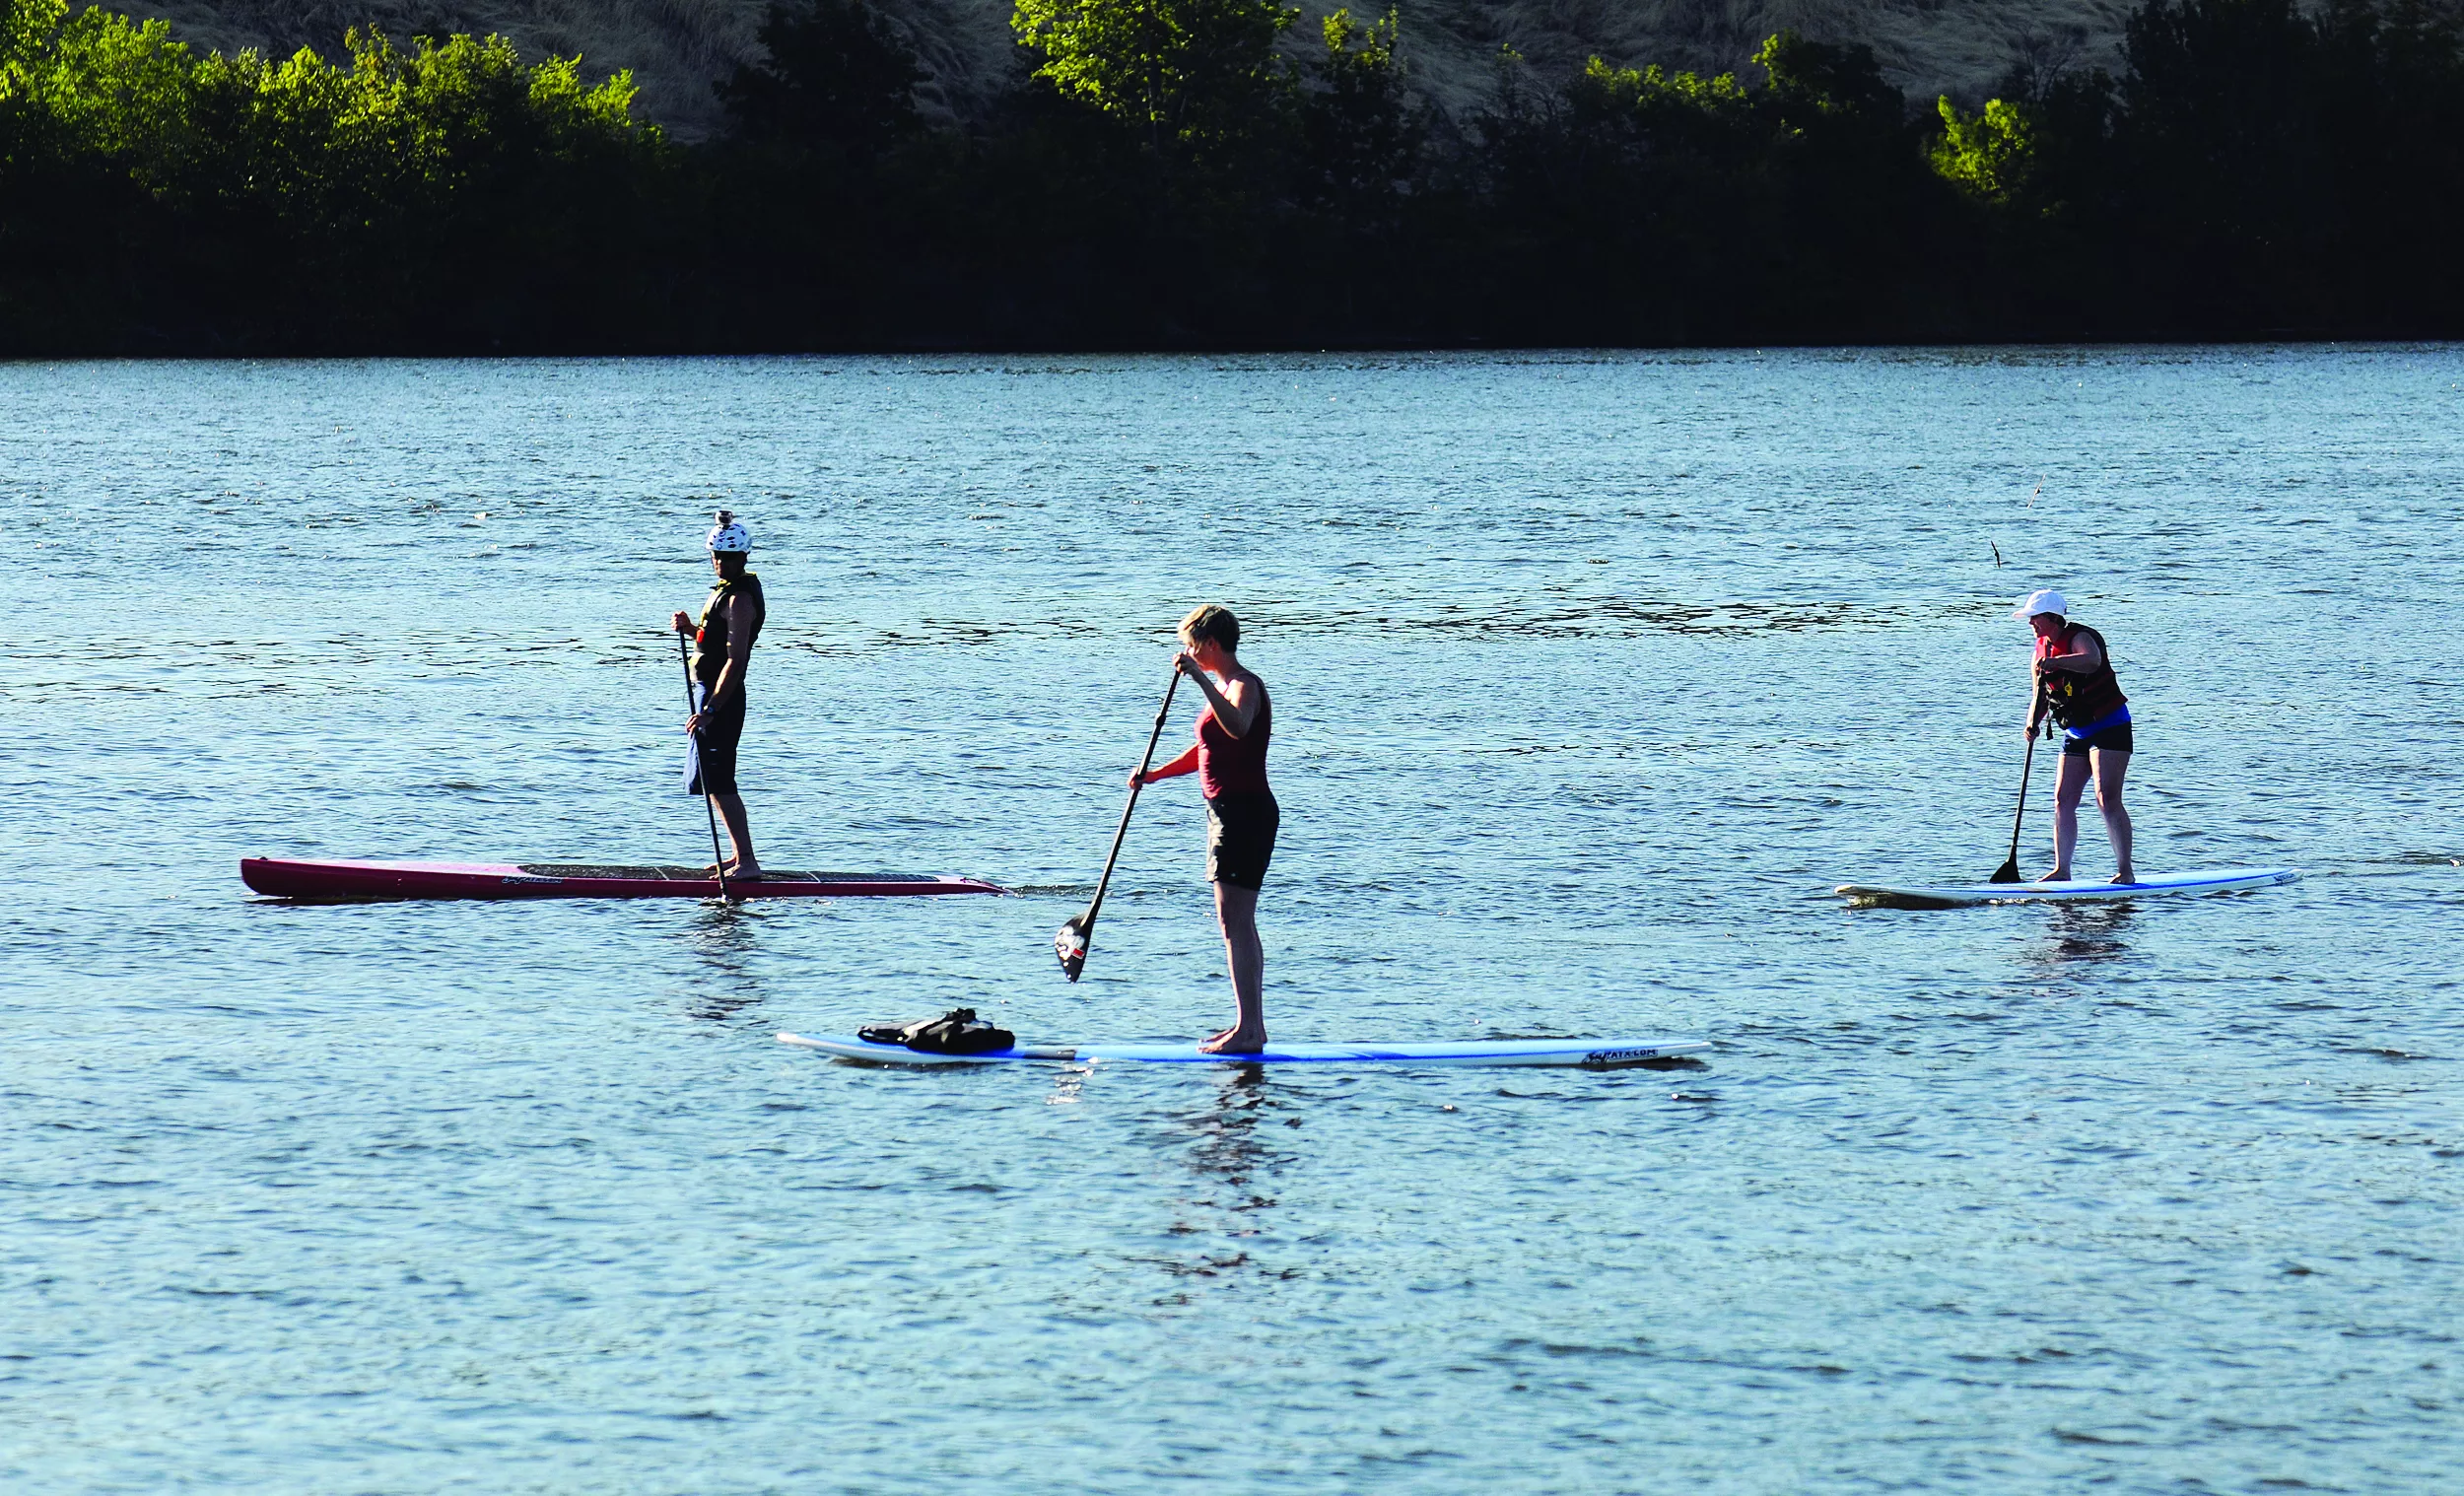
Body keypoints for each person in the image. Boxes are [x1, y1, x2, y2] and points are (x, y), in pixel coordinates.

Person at [1129, 605, 1276, 1054]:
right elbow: (1205, 750)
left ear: (1210, 644)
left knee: (1235, 921)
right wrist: (1153, 775)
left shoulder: (1243, 686)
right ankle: (1249, 1026)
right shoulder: (1224, 687)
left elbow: (1236, 728)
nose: (1187, 652)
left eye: (1191, 644)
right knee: (1235, 921)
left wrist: (1196, 678)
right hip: (1226, 811)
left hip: (1244, 813)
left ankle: (1250, 1030)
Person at [2015, 587, 2134, 884]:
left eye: (2035, 618)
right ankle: (2062, 870)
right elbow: (2039, 696)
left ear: (2053, 618)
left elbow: (2091, 661)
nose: (2031, 624)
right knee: (2062, 799)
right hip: (2076, 732)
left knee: (2106, 797)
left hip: (2110, 726)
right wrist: (2032, 723)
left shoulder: (2081, 637)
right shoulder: (2039, 652)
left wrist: (2056, 663)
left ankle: (2125, 871)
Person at [671, 510, 766, 879]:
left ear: (743, 557)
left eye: (728, 558)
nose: (721, 564)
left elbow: (736, 660)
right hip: (709, 695)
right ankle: (737, 856)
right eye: (717, 557)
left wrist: (710, 709)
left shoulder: (739, 599)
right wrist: (691, 628)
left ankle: (748, 862)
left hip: (721, 699)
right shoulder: (724, 594)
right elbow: (713, 641)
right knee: (712, 778)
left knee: (722, 779)